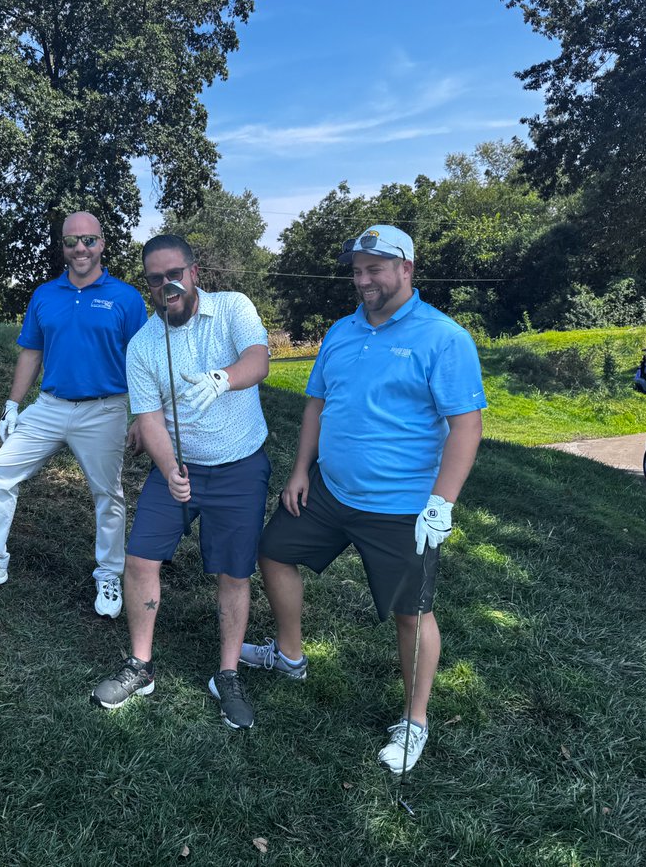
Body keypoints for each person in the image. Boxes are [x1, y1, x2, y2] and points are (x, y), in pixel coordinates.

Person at [243, 224, 485, 773]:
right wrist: (300, 471)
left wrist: (441, 503)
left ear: (407, 269)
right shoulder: (341, 330)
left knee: (411, 613)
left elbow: (466, 426)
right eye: (357, 270)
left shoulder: (443, 337)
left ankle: (414, 721)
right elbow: (316, 404)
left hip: (402, 506)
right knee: (273, 551)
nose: (363, 279)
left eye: (375, 268)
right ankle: (290, 656)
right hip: (330, 490)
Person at [91, 234, 271, 729]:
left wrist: (222, 379)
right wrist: (170, 469)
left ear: (194, 273)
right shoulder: (144, 344)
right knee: (139, 559)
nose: (166, 285)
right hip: (178, 466)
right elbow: (148, 419)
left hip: (240, 464)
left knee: (233, 572)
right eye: (155, 279)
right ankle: (140, 666)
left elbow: (259, 360)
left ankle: (227, 674)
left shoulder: (233, 307)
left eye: (174, 274)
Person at [0, 212, 147, 618]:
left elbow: (142, 359)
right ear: (63, 246)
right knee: (1, 469)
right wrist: (12, 404)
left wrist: (141, 414)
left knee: (108, 495)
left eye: (88, 240)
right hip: (49, 407)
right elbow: (31, 352)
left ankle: (108, 574)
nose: (80, 248)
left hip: (104, 410)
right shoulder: (45, 295)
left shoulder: (125, 298)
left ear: (102, 244)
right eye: (71, 241)